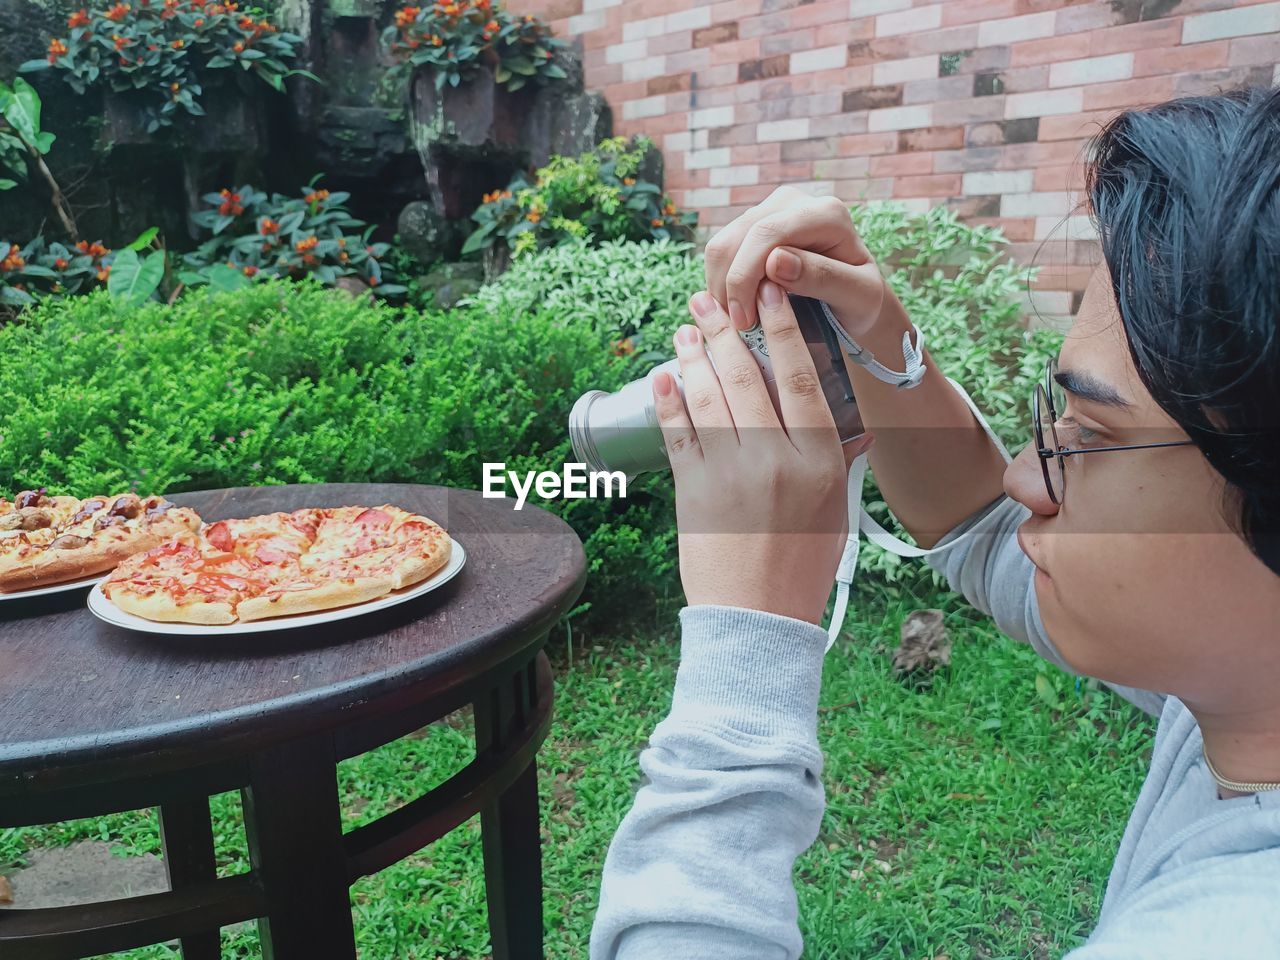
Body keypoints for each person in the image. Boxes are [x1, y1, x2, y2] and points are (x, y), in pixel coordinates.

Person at [589, 86, 1280, 958]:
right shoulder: (1247, 675)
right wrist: (876, 333)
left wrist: (747, 640)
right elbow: (980, 521)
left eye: (1093, 434)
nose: (1030, 475)